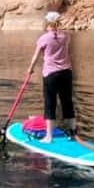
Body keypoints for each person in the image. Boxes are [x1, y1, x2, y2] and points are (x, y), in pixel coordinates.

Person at [26, 11, 75, 143]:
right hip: (66, 73)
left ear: (47, 23)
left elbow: (36, 56)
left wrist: (30, 69)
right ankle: (73, 133)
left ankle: (49, 137)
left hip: (51, 74)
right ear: (58, 22)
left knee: (50, 104)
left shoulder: (43, 38)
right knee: (67, 103)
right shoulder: (66, 36)